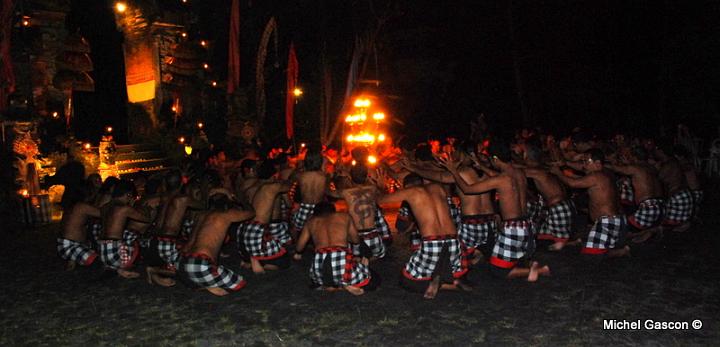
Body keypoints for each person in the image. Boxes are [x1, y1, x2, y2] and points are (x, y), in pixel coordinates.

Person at [438, 140, 550, 282]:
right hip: (527, 225)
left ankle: (536, 270)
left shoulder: (501, 179)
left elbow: (467, 189)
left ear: (496, 158)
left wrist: (453, 171)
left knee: (498, 271)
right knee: (504, 258)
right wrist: (482, 167)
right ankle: (527, 265)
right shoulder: (520, 173)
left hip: (513, 229)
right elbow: (496, 176)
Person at [403, 143, 497, 264]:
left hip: (472, 222)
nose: (452, 154)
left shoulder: (463, 171)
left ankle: (459, 276)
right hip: (490, 221)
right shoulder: (487, 170)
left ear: (462, 155)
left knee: (455, 260)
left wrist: (415, 169)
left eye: (454, 151)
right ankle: (477, 256)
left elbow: (441, 177)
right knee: (477, 253)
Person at [378, 179, 472, 299]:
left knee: (406, 281)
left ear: (406, 185)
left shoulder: (410, 192)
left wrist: (380, 186)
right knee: (447, 264)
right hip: (454, 241)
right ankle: (447, 278)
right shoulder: (438, 187)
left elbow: (380, 200)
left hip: (432, 243)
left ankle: (444, 285)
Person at [549, 149, 630, 258]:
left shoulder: (596, 176)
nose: (584, 165)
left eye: (587, 161)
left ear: (597, 163)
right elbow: (579, 173)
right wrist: (565, 163)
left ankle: (622, 251)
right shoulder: (604, 173)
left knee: (592, 254)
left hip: (608, 222)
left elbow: (572, 183)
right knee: (594, 248)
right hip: (613, 220)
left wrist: (558, 172)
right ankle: (582, 241)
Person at [293, 202, 379, 295]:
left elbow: (299, 247)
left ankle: (331, 286)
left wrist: (298, 253)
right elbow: (356, 240)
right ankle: (346, 284)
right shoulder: (344, 216)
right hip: (342, 263)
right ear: (333, 210)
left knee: (317, 279)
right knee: (374, 278)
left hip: (320, 267)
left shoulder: (311, 221)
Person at [177, 195, 255, 296]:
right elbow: (251, 213)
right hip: (199, 265)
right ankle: (208, 284)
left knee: (198, 272)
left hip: (181, 264)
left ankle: (201, 283)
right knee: (239, 283)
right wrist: (244, 202)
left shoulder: (200, 215)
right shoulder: (226, 215)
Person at [236, 161, 292, 274]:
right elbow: (288, 186)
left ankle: (249, 258)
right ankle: (258, 261)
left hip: (242, 230)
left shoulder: (249, 186)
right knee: (285, 262)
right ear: (274, 174)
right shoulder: (272, 186)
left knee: (270, 241)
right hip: (257, 231)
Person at [605, 146, 664, 242]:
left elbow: (615, 168)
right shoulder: (651, 167)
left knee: (618, 233)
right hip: (661, 208)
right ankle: (649, 230)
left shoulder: (635, 168)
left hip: (648, 209)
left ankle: (652, 230)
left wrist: (599, 163)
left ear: (633, 157)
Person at [523, 145, 575, 251]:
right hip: (559, 206)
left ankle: (568, 243)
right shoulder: (542, 168)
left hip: (559, 207)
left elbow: (514, 172)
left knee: (557, 245)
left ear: (527, 158)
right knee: (537, 233)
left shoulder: (536, 171)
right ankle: (570, 241)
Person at [98, 180, 151, 279]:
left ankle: (115, 269)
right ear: (128, 194)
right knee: (136, 236)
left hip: (101, 252)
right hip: (115, 253)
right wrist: (147, 209)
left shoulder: (104, 207)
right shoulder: (124, 208)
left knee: (127, 234)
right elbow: (146, 220)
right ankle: (123, 268)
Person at [655, 143, 694, 231]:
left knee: (656, 222)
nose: (654, 151)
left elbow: (655, 181)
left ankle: (680, 223)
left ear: (661, 151)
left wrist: (654, 168)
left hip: (679, 198)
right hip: (683, 196)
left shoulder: (669, 165)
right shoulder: (673, 162)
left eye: (656, 149)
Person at [290, 151, 328, 236]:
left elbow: (290, 179)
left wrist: (299, 166)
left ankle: (296, 246)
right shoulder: (323, 176)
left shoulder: (300, 175)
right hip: (318, 208)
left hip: (305, 206)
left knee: (295, 228)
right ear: (320, 162)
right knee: (318, 230)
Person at [57, 200, 101, 270]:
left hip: (67, 243)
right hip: (70, 246)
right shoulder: (81, 206)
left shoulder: (72, 207)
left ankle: (73, 258)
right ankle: (73, 256)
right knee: (100, 263)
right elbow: (103, 214)